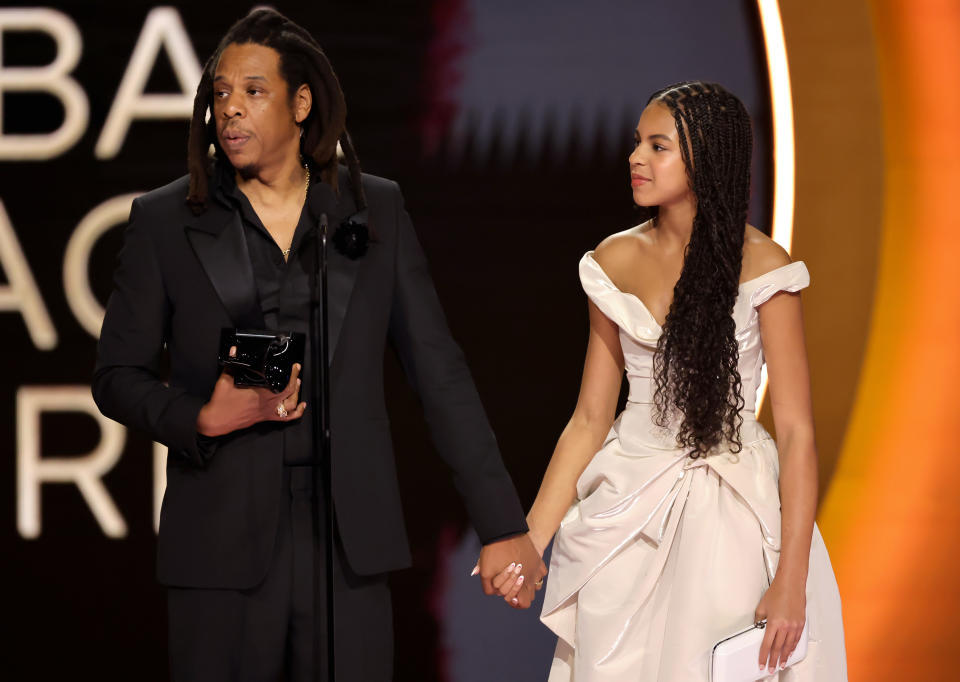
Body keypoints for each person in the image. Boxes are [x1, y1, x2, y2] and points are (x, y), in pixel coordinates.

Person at [92, 8, 545, 682]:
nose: (231, 110)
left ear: (301, 102)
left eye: (253, 91)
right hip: (219, 549)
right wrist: (199, 417)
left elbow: (439, 372)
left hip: (347, 546)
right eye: (219, 93)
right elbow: (116, 376)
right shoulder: (165, 219)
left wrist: (502, 522)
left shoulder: (372, 209)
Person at [490, 82, 847, 680]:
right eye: (637, 143)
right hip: (628, 509)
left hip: (735, 515)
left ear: (705, 156)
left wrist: (791, 577)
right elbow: (589, 418)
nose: (637, 158)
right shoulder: (612, 261)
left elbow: (796, 431)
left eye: (658, 146)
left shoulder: (765, 266)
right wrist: (534, 538)